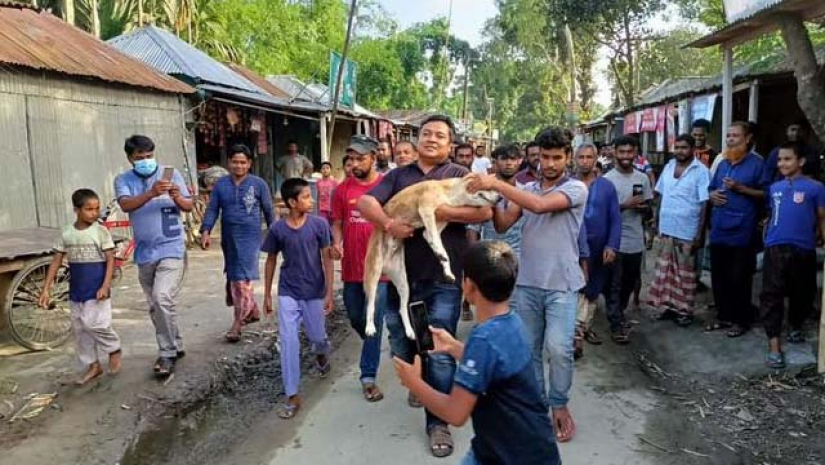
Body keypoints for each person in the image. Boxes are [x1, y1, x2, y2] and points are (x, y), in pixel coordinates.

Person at [358, 114, 493, 458]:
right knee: (401, 341)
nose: (432, 139)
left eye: (440, 136)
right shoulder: (398, 175)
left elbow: (484, 214)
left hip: (444, 279)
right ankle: (418, 382)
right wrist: (389, 223)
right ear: (418, 139)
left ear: (450, 145)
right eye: (427, 133)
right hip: (402, 273)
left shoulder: (460, 176)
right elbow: (366, 202)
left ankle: (438, 422)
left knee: (439, 346)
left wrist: (439, 210)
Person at [467, 127, 588, 444]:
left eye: (556, 157)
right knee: (531, 350)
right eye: (545, 157)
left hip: (562, 284)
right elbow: (503, 224)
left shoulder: (576, 189)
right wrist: (491, 198)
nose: (549, 163)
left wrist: (496, 183)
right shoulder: (529, 188)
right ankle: (538, 407)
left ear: (568, 157)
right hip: (527, 282)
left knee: (559, 349)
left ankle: (559, 405)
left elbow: (539, 206)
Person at [394, 241, 561, 465]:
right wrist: (453, 347)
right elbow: (496, 365)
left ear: (469, 286)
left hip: (516, 456)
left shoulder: (483, 338)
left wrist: (414, 383)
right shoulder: (511, 323)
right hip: (512, 447)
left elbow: (455, 413)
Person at [115, 135, 192, 377]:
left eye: (149, 156)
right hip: (145, 251)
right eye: (140, 158)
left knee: (161, 297)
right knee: (156, 305)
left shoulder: (170, 174)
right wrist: (151, 193)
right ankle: (176, 343)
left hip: (171, 246)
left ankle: (166, 353)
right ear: (130, 159)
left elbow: (188, 206)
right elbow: (126, 205)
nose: (146, 161)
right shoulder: (123, 180)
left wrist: (176, 196)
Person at [261, 178, 334, 420]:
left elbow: (327, 258)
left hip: (314, 291)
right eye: (305, 197)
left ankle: (321, 353)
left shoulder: (319, 225)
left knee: (318, 337)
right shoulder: (278, 229)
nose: (311, 200)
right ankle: (292, 395)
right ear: (292, 202)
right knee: (288, 341)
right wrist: (267, 295)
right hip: (288, 291)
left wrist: (330, 291)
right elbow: (271, 260)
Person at [39, 189, 121, 385]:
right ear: (76, 210)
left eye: (97, 209)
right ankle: (93, 365)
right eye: (89, 209)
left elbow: (110, 259)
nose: (94, 213)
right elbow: (56, 260)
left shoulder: (100, 231)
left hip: (97, 288)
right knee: (80, 328)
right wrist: (46, 288)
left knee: (95, 324)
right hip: (77, 289)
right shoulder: (67, 232)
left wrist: (106, 285)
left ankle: (113, 348)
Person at [330, 136, 389, 402]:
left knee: (372, 322)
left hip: (380, 270)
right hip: (352, 268)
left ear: (374, 158)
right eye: (350, 158)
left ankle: (368, 376)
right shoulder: (341, 190)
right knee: (355, 315)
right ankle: (372, 345)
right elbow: (338, 222)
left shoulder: (387, 186)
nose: (354, 163)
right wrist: (337, 242)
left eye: (360, 158)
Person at [200, 144, 274, 342]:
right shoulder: (221, 185)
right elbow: (213, 209)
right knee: (236, 277)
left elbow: (269, 211)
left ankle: (237, 322)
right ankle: (253, 311)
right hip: (229, 238)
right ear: (229, 163)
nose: (238, 166)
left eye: (243, 162)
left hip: (250, 237)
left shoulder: (259, 184)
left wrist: (275, 235)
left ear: (249, 164)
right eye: (235, 162)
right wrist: (205, 231)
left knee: (241, 280)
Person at [760, 142, 825, 368]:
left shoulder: (815, 188)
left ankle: (795, 326)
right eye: (779, 160)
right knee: (772, 293)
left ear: (801, 161)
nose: (782, 164)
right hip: (775, 245)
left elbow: (821, 218)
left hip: (803, 247)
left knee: (802, 292)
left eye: (787, 159)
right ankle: (774, 344)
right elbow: (773, 213)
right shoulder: (775, 187)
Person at [706, 121, 764, 337]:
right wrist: (712, 195)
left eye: (735, 136)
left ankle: (741, 321)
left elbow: (766, 193)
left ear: (747, 138)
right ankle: (723, 317)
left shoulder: (758, 164)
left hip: (743, 230)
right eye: (728, 135)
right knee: (719, 276)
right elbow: (711, 187)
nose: (730, 139)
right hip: (720, 228)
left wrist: (741, 189)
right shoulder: (723, 163)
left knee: (739, 277)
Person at [647, 135, 710, 327]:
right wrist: (655, 222)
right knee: (665, 271)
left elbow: (704, 203)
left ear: (692, 149)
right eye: (677, 147)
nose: (679, 151)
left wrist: (699, 235)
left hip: (688, 231)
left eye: (683, 147)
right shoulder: (668, 166)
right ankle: (667, 307)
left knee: (685, 274)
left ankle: (685, 311)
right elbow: (660, 195)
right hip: (667, 227)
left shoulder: (701, 171)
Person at [464, 144, 525, 322]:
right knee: (488, 310)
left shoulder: (526, 192)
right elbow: (473, 227)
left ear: (520, 161)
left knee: (514, 310)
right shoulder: (483, 192)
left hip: (519, 258)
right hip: (489, 257)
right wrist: (473, 259)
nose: (508, 163)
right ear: (495, 162)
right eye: (504, 159)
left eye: (513, 159)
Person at [603, 136, 653, 345]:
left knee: (629, 283)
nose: (625, 156)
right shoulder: (606, 180)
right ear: (614, 151)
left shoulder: (641, 178)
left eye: (629, 152)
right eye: (621, 152)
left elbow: (649, 208)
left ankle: (619, 313)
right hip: (614, 242)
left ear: (635, 153)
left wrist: (644, 210)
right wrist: (624, 205)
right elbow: (602, 213)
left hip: (635, 240)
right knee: (614, 284)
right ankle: (616, 324)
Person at [573, 143, 621, 360]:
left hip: (599, 248)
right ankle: (575, 337)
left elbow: (615, 219)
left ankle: (581, 331)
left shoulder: (607, 187)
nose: (585, 161)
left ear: (595, 160)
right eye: (581, 157)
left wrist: (612, 245)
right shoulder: (568, 184)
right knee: (574, 290)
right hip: (571, 248)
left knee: (592, 291)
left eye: (589, 157)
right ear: (574, 159)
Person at [763, 120, 821, 184]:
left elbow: (816, 176)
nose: (796, 133)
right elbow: (767, 178)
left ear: (807, 133)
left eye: (800, 130)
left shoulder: (812, 152)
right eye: (793, 129)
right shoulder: (777, 152)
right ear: (787, 131)